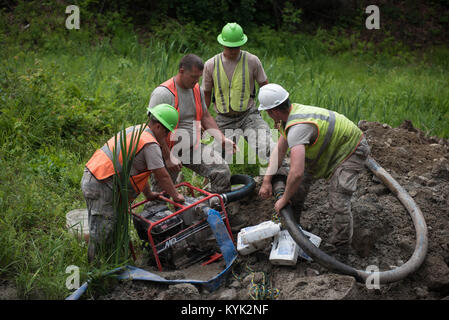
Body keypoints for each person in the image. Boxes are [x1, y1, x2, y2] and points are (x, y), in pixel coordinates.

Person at [257, 84, 371, 248]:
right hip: (329, 149)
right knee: (297, 186)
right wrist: (267, 180)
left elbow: (296, 173)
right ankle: (293, 227)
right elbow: (279, 151)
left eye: (267, 112)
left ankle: (341, 248)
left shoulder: (297, 128)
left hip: (351, 148)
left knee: (338, 198)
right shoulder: (289, 117)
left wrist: (284, 199)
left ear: (273, 111)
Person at [81, 104, 185, 263]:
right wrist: (176, 196)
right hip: (101, 182)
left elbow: (134, 170)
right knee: (102, 231)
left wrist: (148, 194)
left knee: (112, 227)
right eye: (166, 132)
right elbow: (162, 175)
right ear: (158, 126)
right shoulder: (150, 144)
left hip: (99, 178)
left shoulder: (136, 131)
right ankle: (95, 270)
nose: (166, 136)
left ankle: (111, 263)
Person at [148, 54, 236, 195]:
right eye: (193, 77)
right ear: (181, 71)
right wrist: (167, 157)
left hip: (192, 147)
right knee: (162, 193)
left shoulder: (196, 89)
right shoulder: (163, 93)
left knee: (221, 171)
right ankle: (158, 214)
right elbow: (152, 129)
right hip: (167, 150)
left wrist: (221, 138)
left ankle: (216, 211)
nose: (196, 81)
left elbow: (205, 116)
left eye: (199, 77)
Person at [202, 22, 279, 173]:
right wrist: (202, 120)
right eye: (230, 47)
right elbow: (206, 93)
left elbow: (265, 87)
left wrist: (275, 116)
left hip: (249, 115)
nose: (233, 50)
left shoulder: (252, 61)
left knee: (269, 146)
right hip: (223, 119)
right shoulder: (210, 65)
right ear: (223, 44)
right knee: (211, 159)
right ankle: (210, 189)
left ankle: (279, 181)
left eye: (236, 47)